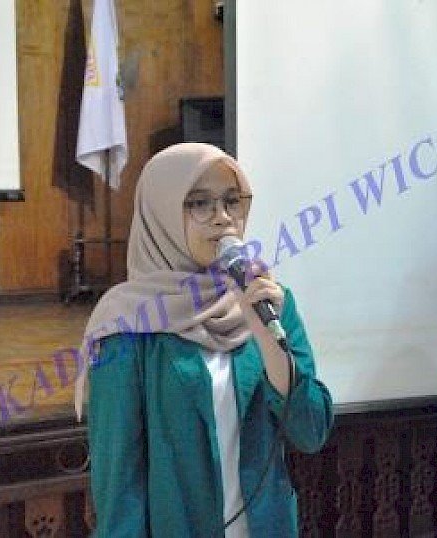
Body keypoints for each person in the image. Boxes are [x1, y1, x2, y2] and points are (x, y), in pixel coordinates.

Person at [74, 143, 334, 537]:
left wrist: (267, 339)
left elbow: (311, 433)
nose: (223, 218)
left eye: (232, 201)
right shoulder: (127, 324)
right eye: (199, 203)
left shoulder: (269, 303)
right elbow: (119, 484)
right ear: (161, 214)